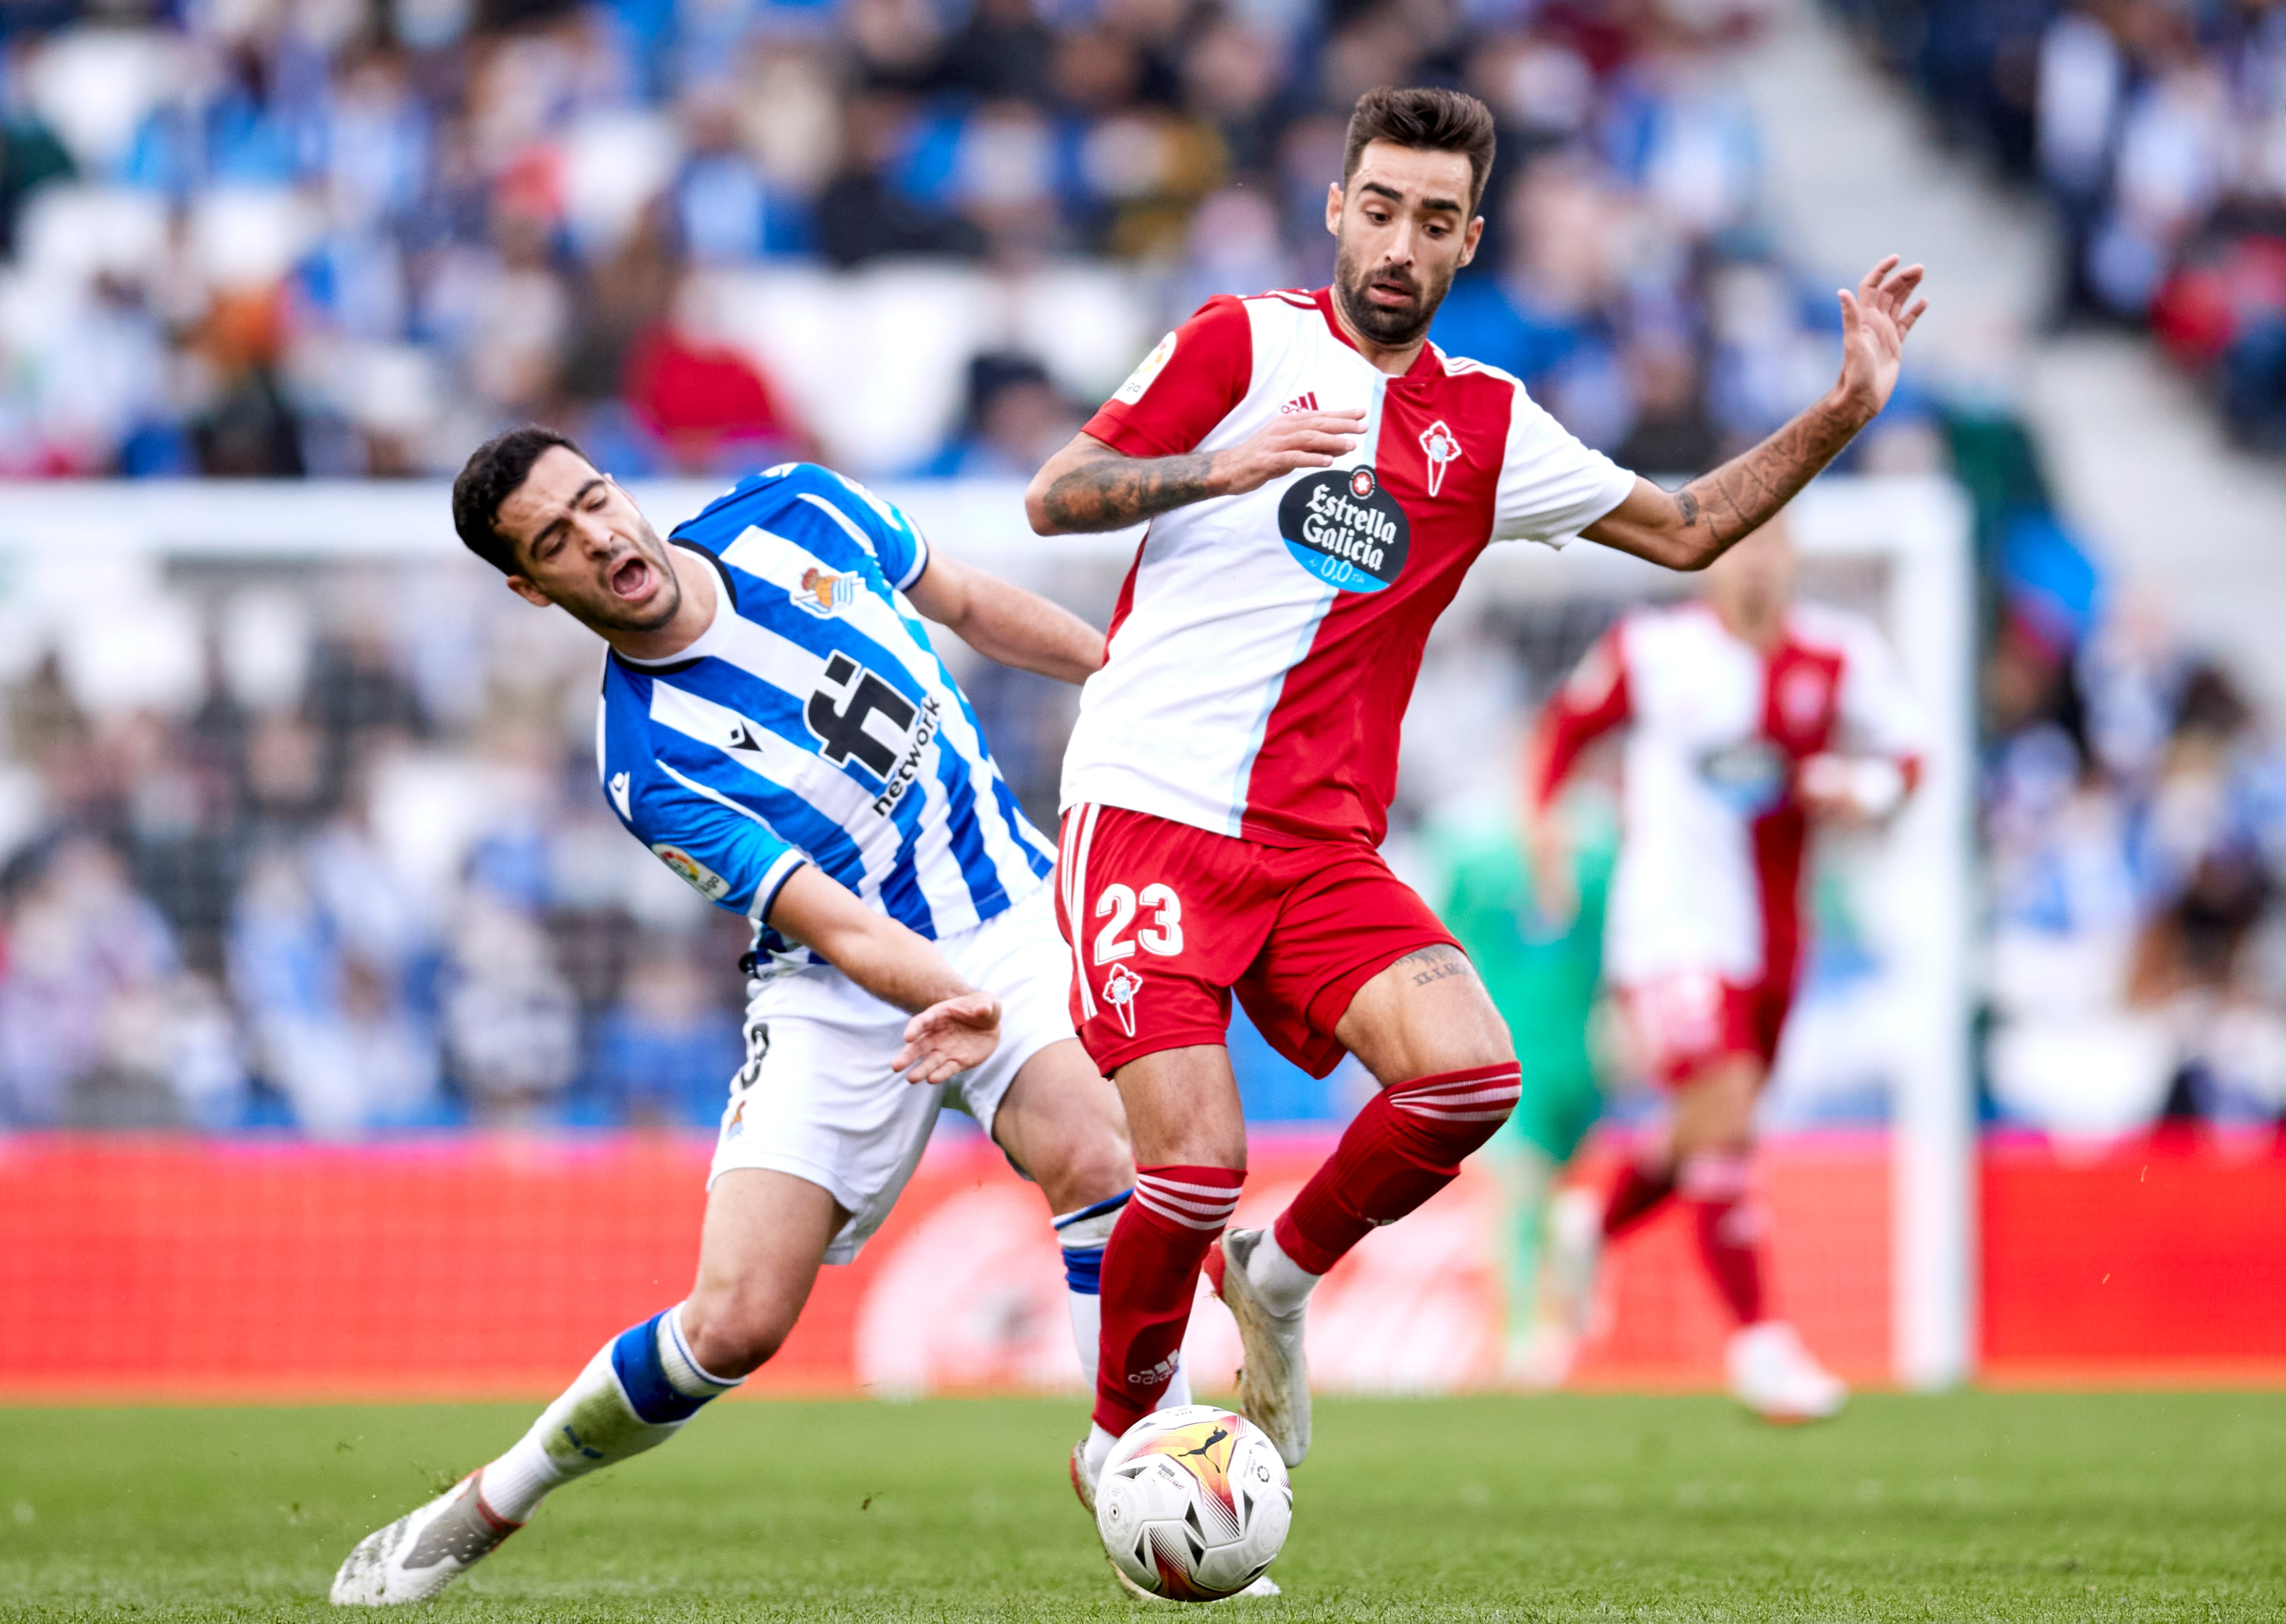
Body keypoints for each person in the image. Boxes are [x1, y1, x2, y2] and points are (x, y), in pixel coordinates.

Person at [1020, 84, 1925, 1479]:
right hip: (1151, 809)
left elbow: (1683, 531)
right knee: (1193, 1167)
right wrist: (1219, 467)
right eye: (1377, 208)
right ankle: (1123, 1436)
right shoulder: (1238, 343)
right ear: (1336, 208)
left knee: (1469, 1079)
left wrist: (1844, 409)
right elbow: (1056, 490)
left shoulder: (1488, 425)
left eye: (1432, 221)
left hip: (1320, 845)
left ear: (1469, 242)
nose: (1398, 241)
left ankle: (1280, 1275)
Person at [330, 429, 1155, 1605]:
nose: (603, 539)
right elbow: (845, 931)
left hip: (1005, 901)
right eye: (557, 542)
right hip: (837, 989)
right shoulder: (648, 764)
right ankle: (491, 1499)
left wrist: (1119, 675)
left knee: (1092, 1149)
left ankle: (1127, 1474)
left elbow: (968, 602)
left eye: (596, 502)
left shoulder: (798, 508)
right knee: (735, 1324)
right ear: (530, 586)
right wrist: (952, 1003)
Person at [1527, 517, 1926, 1421]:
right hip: (1668, 928)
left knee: (1712, 1120)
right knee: (1731, 1105)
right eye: (1737, 544)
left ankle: (1593, 1218)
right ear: (1710, 559)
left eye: (1770, 543)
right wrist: (1545, 827)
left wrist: (1863, 789)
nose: (1753, 560)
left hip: (1778, 941)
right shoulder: (1654, 648)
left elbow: (1912, 755)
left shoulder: (1840, 655)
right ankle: (1760, 1341)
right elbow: (1564, 730)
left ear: (1791, 555)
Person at [1425, 795, 1616, 1388]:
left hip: (1525, 1053)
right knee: (1531, 1190)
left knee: (1522, 1196)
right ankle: (1542, 1318)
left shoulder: (1480, 869)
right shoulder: (1602, 864)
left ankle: (1526, 1336)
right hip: (1571, 1053)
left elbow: (1436, 950)